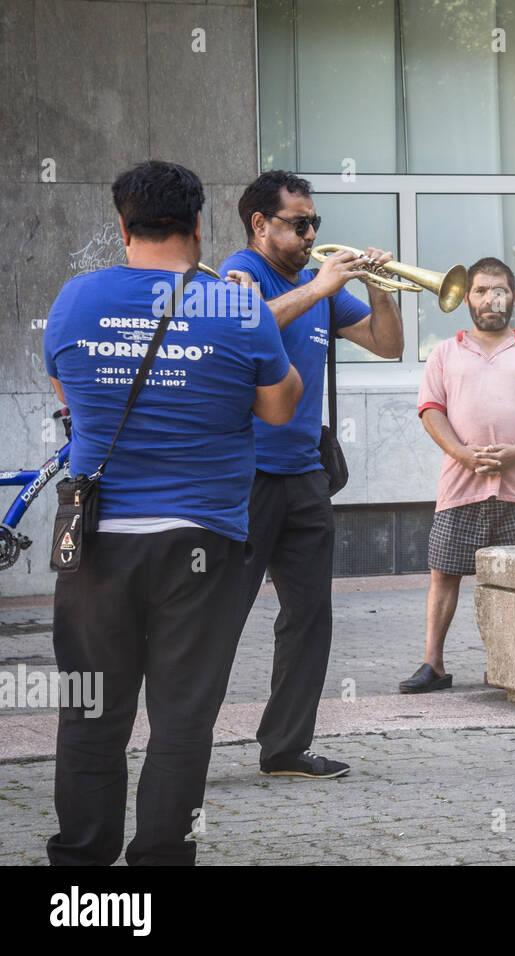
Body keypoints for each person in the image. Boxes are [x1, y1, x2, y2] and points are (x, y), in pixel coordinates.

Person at [42, 160, 302, 864]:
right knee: (183, 719)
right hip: (203, 543)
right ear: (198, 226)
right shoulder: (234, 305)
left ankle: (82, 876)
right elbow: (280, 410)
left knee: (92, 715)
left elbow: (71, 389)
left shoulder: (75, 300)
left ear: (122, 226)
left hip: (98, 544)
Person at [220, 171, 403, 779]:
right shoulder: (237, 273)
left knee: (309, 616)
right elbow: (238, 327)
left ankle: (285, 748)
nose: (310, 234)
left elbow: (387, 345)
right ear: (261, 224)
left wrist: (379, 287)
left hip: (304, 474)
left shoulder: (317, 283)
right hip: (243, 475)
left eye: (314, 223)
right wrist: (321, 285)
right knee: (220, 615)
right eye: (300, 223)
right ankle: (185, 743)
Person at [400, 257, 515, 693]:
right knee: (443, 574)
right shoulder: (445, 352)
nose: (491, 298)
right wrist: (464, 456)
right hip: (460, 485)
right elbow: (430, 411)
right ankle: (433, 664)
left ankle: (512, 667)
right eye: (481, 290)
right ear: (466, 298)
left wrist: (514, 453)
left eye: (500, 290)